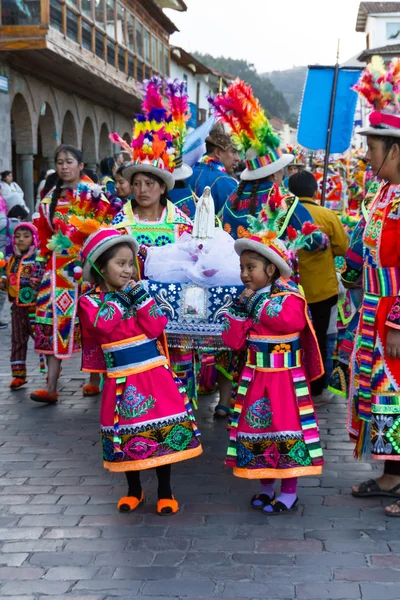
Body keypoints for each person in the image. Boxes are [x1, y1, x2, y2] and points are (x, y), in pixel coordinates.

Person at [210, 79, 328, 417]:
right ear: (277, 174)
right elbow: (315, 239)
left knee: (232, 342)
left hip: (235, 280)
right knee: (268, 343)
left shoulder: (232, 199)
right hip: (274, 287)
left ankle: (225, 400)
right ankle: (270, 399)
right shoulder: (283, 201)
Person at [79, 228, 202, 514]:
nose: (127, 270)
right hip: (121, 378)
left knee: (162, 431)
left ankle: (165, 490)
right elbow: (103, 324)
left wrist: (139, 297)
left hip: (154, 375)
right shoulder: (91, 302)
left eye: (130, 263)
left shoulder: (139, 295)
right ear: (100, 267)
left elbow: (156, 326)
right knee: (126, 434)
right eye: (119, 264)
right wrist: (127, 297)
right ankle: (134, 490)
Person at [222, 224, 324, 514]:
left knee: (285, 429)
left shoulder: (290, 296)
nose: (244, 274)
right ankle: (265, 487)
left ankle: (289, 491)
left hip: (284, 380)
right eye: (242, 267)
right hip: (255, 377)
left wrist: (251, 305)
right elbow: (233, 340)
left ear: (270, 269)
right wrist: (240, 311)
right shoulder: (247, 300)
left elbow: (286, 321)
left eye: (250, 267)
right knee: (257, 429)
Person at [347, 57, 400, 518]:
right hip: (373, 309)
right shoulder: (384, 194)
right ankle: (392, 474)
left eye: (374, 147)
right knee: (384, 393)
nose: (367, 156)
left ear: (396, 150)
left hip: (394, 311)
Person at [31, 144, 109, 403]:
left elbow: (104, 230)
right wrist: (42, 260)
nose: (64, 166)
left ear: (80, 165)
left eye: (69, 162)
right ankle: (51, 385)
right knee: (51, 321)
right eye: (60, 162)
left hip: (89, 270)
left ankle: (94, 378)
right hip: (57, 273)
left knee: (92, 323)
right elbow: (43, 233)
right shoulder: (50, 197)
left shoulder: (96, 194)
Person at [288, 170, 349, 404]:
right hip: (322, 291)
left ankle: (294, 383)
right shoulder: (327, 215)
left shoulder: (284, 214)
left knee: (294, 339)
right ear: (316, 191)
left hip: (291, 291)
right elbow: (343, 248)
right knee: (320, 339)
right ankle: (317, 387)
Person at [0, 223, 43, 389]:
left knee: (40, 338)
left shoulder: (38, 257)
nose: (21, 240)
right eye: (17, 237)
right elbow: (9, 278)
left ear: (33, 238)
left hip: (35, 307)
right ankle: (19, 374)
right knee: (17, 340)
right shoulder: (12, 258)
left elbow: (42, 277)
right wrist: (3, 282)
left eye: (26, 236)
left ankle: (51, 370)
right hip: (17, 307)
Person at [186, 122, 238, 216]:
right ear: (218, 152)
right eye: (233, 152)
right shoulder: (226, 182)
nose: (238, 158)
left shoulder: (188, 173)